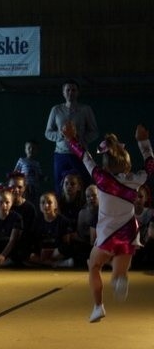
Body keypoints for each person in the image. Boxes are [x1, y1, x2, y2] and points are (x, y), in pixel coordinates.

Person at [61, 121, 153, 322]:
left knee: (94, 266)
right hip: (129, 233)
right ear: (126, 163)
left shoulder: (100, 177)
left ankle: (98, 306)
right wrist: (144, 141)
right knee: (119, 274)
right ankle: (120, 279)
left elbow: (83, 155)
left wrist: (70, 138)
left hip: (107, 235)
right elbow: (150, 164)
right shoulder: (138, 178)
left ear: (106, 164)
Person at [44, 79, 99, 188]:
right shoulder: (56, 109)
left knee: (83, 184)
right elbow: (48, 132)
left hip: (80, 155)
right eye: (67, 90)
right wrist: (61, 135)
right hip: (61, 154)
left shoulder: (85, 109)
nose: (70, 92)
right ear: (63, 92)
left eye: (73, 90)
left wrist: (80, 140)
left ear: (78, 92)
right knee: (60, 186)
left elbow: (94, 132)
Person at [24, 192, 76, 268]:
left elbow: (66, 243)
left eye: (49, 202)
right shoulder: (36, 221)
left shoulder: (63, 221)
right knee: (26, 253)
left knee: (67, 249)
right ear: (39, 206)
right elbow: (34, 240)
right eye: (43, 203)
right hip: (42, 251)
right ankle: (55, 264)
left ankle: (44, 262)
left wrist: (53, 251)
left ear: (55, 205)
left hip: (57, 251)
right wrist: (41, 251)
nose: (46, 205)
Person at [13, 139, 45, 205]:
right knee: (24, 201)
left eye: (33, 148)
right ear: (25, 149)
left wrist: (44, 177)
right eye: (29, 148)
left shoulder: (37, 163)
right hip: (25, 186)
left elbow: (39, 175)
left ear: (37, 151)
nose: (31, 150)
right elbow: (15, 172)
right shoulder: (21, 160)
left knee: (34, 202)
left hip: (35, 188)